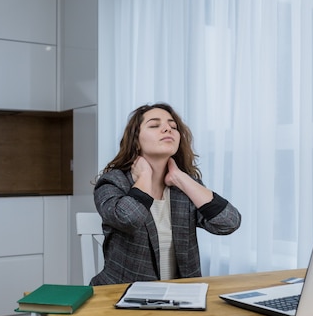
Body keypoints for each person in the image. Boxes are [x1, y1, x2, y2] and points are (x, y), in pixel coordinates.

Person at [91, 103, 241, 285]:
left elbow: (229, 223)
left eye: (173, 126)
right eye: (154, 125)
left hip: (181, 298)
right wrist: (145, 175)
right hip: (122, 297)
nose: (167, 129)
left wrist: (180, 178)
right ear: (136, 141)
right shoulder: (113, 182)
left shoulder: (185, 186)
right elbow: (128, 219)